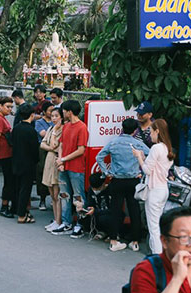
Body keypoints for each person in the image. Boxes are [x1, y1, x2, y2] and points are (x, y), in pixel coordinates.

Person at [97, 118, 152, 252]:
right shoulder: (137, 143)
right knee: (134, 210)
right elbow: (150, 153)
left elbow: (99, 157)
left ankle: (114, 240)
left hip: (117, 180)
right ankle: (135, 241)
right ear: (135, 130)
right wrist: (142, 168)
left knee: (115, 210)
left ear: (122, 128)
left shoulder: (114, 142)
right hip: (133, 180)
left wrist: (107, 172)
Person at [133, 119, 175, 255]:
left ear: (157, 131)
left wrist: (139, 157)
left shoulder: (156, 148)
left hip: (154, 190)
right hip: (163, 189)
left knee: (154, 227)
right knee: (157, 225)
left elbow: (146, 170)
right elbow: (155, 167)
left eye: (151, 132)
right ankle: (159, 253)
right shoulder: (167, 148)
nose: (150, 135)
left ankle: (158, 256)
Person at [54, 99, 88, 236]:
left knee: (78, 196)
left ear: (70, 112)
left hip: (76, 168)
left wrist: (62, 159)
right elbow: (61, 144)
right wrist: (61, 161)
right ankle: (66, 222)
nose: (62, 113)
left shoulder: (82, 127)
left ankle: (80, 224)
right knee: (65, 195)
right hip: (64, 166)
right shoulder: (66, 126)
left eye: (64, 111)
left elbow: (81, 150)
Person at [10, 103, 39, 224]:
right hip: (28, 164)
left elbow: (11, 143)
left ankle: (16, 209)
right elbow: (34, 150)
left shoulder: (16, 128)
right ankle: (22, 215)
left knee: (17, 187)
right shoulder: (31, 131)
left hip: (16, 161)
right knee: (25, 189)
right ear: (32, 115)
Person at [40, 106, 65, 233]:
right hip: (49, 160)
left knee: (57, 194)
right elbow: (43, 144)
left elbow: (56, 145)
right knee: (51, 193)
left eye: (56, 116)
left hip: (57, 160)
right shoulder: (50, 128)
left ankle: (59, 220)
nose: (54, 118)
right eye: (53, 116)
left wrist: (54, 134)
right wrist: (50, 148)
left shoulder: (61, 130)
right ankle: (55, 220)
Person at [0, 97, 15, 217]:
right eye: (7, 106)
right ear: (0, 106)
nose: (10, 109)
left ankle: (6, 204)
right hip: (4, 155)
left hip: (5, 153)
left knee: (8, 181)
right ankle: (4, 206)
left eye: (11, 107)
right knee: (8, 181)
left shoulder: (0, 117)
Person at [33, 106, 53, 210]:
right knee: (41, 171)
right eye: (50, 111)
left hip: (54, 148)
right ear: (44, 112)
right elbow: (43, 134)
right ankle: (42, 199)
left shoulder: (56, 122)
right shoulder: (39, 122)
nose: (52, 114)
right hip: (43, 148)